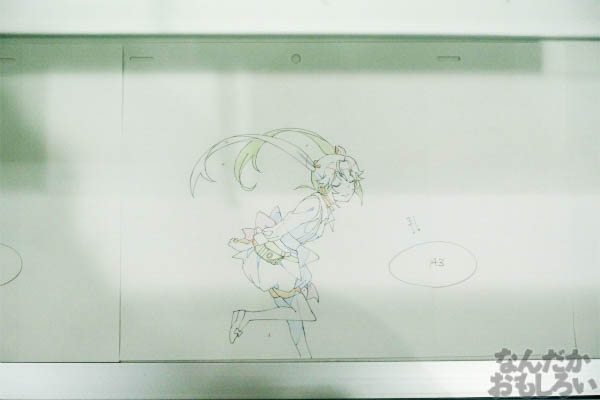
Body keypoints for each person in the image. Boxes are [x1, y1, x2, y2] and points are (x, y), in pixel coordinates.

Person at [191, 128, 363, 358]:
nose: (349, 191)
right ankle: (247, 317)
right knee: (303, 314)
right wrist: (258, 239)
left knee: (296, 321)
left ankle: (304, 360)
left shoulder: (323, 207)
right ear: (328, 185)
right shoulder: (313, 205)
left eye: (350, 184)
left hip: (287, 260)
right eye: (344, 185)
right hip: (277, 261)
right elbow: (284, 226)